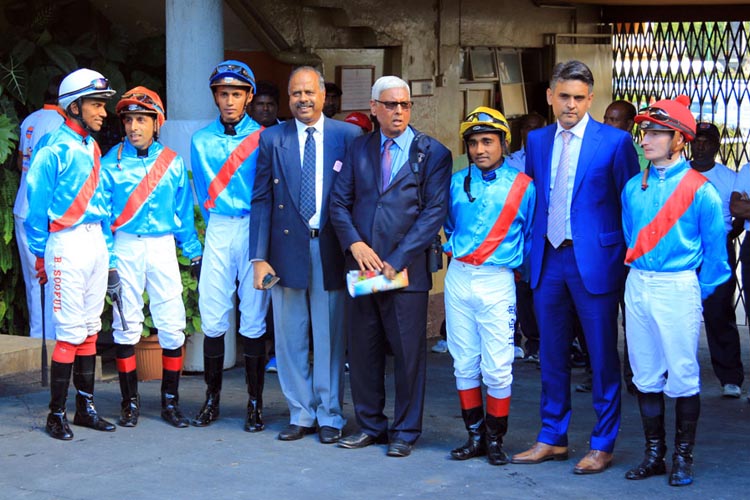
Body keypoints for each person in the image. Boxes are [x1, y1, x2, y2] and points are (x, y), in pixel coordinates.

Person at [510, 60, 639, 473]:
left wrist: (627, 260)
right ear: (550, 96)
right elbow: (535, 199)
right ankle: (552, 437)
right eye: (563, 96)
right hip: (548, 259)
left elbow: (629, 203)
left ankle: (602, 443)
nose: (571, 105)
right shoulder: (538, 140)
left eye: (579, 98)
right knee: (550, 354)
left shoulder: (615, 143)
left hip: (597, 261)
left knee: (602, 356)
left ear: (591, 99)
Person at [330, 75, 452, 457]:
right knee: (363, 351)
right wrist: (356, 243)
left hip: (406, 271)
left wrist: (396, 259)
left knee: (408, 354)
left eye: (404, 105)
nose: (398, 111)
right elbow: (338, 203)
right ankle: (370, 425)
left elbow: (433, 214)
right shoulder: (358, 148)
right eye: (390, 105)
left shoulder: (432, 152)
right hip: (363, 267)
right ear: (374, 108)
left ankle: (405, 431)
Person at [622, 96, 729, 487]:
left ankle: (684, 458)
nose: (645, 140)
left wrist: (690, 295)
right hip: (638, 282)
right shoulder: (634, 187)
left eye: (655, 133)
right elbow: (630, 236)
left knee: (683, 374)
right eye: (644, 132)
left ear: (679, 139)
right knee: (645, 373)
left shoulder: (703, 191)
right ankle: (655, 455)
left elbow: (717, 261)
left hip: (678, 284)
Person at [250, 66, 359, 444]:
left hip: (330, 247)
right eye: (296, 94)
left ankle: (330, 415)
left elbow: (359, 198)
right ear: (288, 98)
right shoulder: (271, 138)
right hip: (284, 249)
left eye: (309, 93)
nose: (302, 100)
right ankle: (301, 412)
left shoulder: (349, 135)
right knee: (289, 335)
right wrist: (258, 256)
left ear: (324, 96)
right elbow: (261, 198)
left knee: (329, 337)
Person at [101, 87, 202, 429]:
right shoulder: (109, 162)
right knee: (126, 324)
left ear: (157, 122)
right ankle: (129, 404)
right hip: (125, 245)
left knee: (172, 324)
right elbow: (101, 217)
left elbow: (183, 215)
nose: (133, 127)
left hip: (161, 247)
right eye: (128, 120)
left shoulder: (173, 162)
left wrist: (194, 252)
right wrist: (110, 259)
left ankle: (170, 403)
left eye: (141, 119)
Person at [25, 68, 117, 440]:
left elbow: (102, 205)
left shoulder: (91, 147)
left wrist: (109, 254)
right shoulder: (53, 148)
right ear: (74, 106)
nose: (103, 112)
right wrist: (39, 253)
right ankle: (56, 414)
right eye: (97, 104)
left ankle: (84, 408)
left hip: (94, 241)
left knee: (91, 330)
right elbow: (36, 207)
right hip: (65, 242)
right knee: (68, 333)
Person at [444, 107, 535, 465]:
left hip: (498, 280)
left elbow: (528, 237)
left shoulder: (524, 186)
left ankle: (496, 440)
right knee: (463, 362)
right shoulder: (454, 182)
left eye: (487, 141)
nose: (480, 149)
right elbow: (449, 228)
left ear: (503, 143)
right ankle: (475, 437)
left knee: (497, 366)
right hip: (459, 276)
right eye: (473, 143)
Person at [190, 60, 270, 432]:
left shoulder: (264, 138)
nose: (229, 100)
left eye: (237, 93)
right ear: (215, 97)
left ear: (249, 96)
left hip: (253, 226)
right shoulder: (200, 140)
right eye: (223, 93)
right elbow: (202, 193)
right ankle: (212, 400)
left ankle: (255, 404)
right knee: (212, 313)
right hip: (220, 227)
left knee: (254, 316)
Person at [689, 122, 744, 399]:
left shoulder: (729, 177)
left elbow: (740, 216)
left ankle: (730, 377)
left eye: (706, 141)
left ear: (716, 146)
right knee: (676, 311)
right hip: (681, 249)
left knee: (719, 312)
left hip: (716, 251)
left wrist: (721, 236)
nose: (700, 145)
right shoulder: (678, 172)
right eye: (696, 140)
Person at [15, 76, 64, 340]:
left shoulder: (29, 120)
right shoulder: (60, 126)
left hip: (22, 206)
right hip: (43, 213)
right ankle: (46, 344)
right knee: (49, 279)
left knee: (34, 279)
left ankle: (38, 340)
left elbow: (22, 158)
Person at [505, 111, 545, 362]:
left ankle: (541, 341)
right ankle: (521, 339)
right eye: (526, 128)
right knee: (519, 288)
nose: (530, 133)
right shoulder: (512, 163)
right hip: (516, 235)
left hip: (541, 234)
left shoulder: (551, 160)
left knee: (539, 289)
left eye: (536, 128)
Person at [604, 100, 649, 171]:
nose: (606, 124)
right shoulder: (596, 152)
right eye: (605, 119)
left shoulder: (646, 158)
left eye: (613, 120)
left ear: (629, 125)